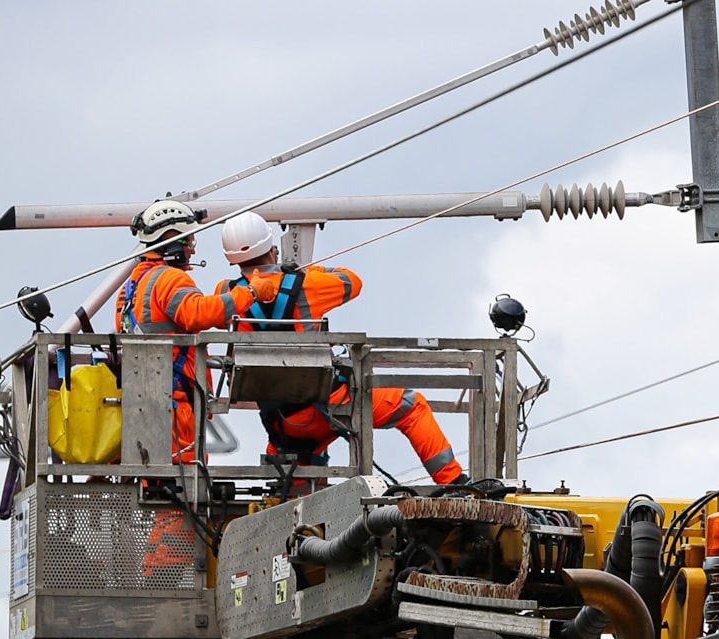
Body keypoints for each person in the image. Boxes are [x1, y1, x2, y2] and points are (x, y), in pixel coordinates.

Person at [214, 211, 468, 485]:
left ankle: (305, 521)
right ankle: (452, 481)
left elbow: (215, 317)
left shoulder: (226, 293)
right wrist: (307, 272)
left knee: (302, 477)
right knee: (411, 406)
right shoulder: (306, 284)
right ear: (271, 249)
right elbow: (351, 282)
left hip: (283, 424)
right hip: (331, 404)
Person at [113, 199, 276, 580]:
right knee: (181, 499)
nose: (191, 249)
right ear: (172, 240)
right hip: (174, 406)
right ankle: (160, 582)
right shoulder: (171, 279)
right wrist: (250, 293)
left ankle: (150, 575)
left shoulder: (134, 284)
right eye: (187, 241)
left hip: (145, 405)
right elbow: (199, 314)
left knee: (163, 493)